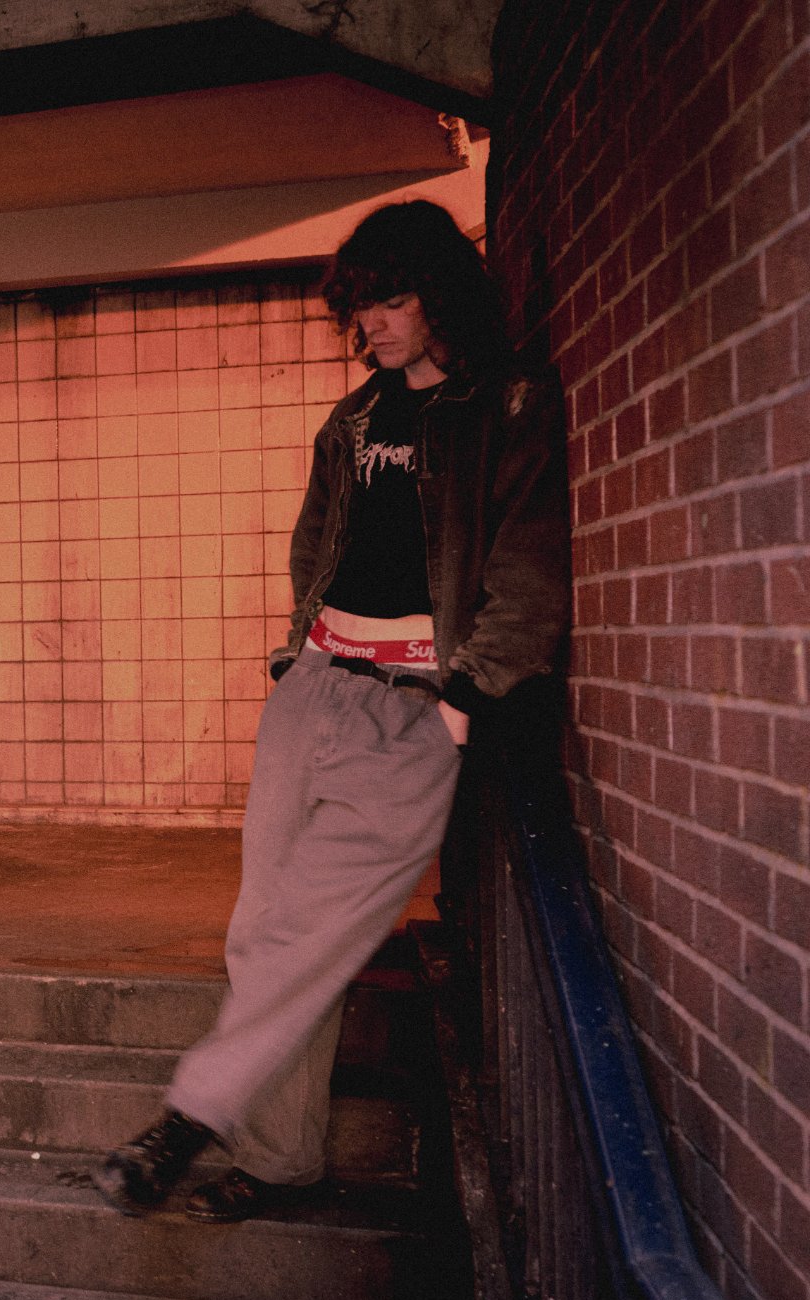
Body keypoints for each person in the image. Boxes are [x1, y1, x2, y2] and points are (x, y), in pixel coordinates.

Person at [94, 201, 571, 1223]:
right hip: (314, 691)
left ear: (437, 293)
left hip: (413, 711)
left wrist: (462, 701)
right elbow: (314, 544)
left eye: (389, 300)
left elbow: (525, 570)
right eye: (359, 307)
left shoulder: (509, 403)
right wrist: (293, 655)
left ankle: (184, 1121)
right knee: (260, 930)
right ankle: (279, 1156)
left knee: (307, 932)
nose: (372, 326)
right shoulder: (352, 418)